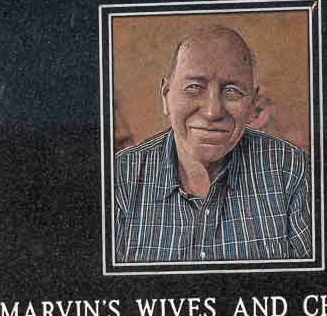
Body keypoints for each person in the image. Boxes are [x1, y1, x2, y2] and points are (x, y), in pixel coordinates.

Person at [113, 24, 311, 265]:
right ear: (166, 95)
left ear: (253, 104)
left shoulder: (290, 169)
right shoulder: (119, 177)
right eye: (194, 87)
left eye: (232, 91)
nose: (212, 111)